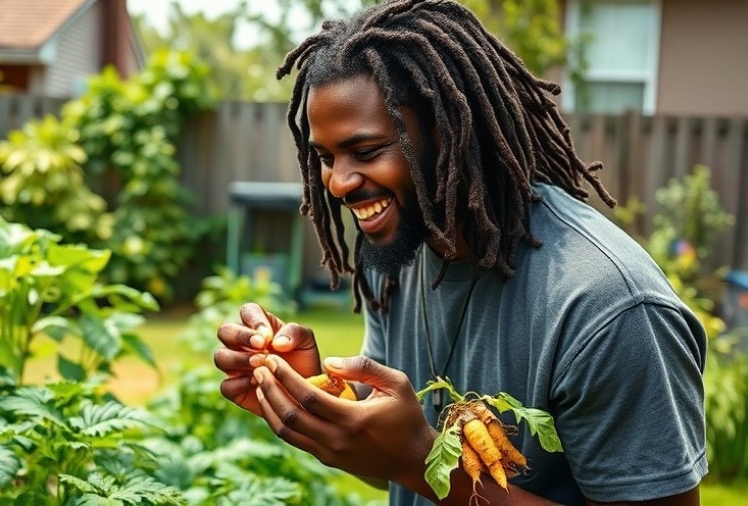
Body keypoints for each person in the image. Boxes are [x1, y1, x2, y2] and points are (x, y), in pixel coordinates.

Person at [213, 1, 708, 504]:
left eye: (366, 152)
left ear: (451, 132)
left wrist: (420, 463)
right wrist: (319, 395)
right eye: (325, 157)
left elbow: (409, 462)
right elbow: (388, 462)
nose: (338, 183)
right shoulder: (400, 250)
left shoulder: (608, 309)